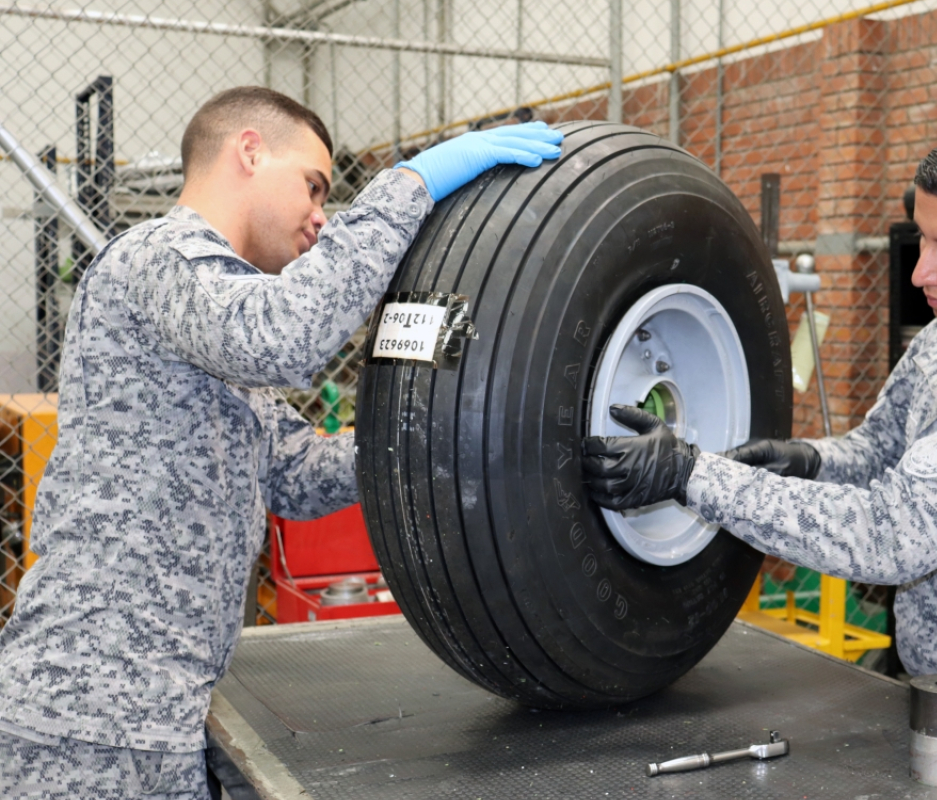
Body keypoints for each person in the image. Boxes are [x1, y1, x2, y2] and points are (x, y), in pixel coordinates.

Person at [0, 86, 561, 799]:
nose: (320, 218)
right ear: (249, 151)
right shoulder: (159, 259)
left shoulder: (215, 321)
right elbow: (282, 336)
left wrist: (442, 434)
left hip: (148, 717)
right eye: (314, 186)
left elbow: (298, 474)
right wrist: (408, 186)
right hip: (87, 722)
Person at [583, 121, 937, 779]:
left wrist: (694, 476)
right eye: (924, 236)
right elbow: (883, 448)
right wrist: (810, 460)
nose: (923, 270)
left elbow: (893, 535)